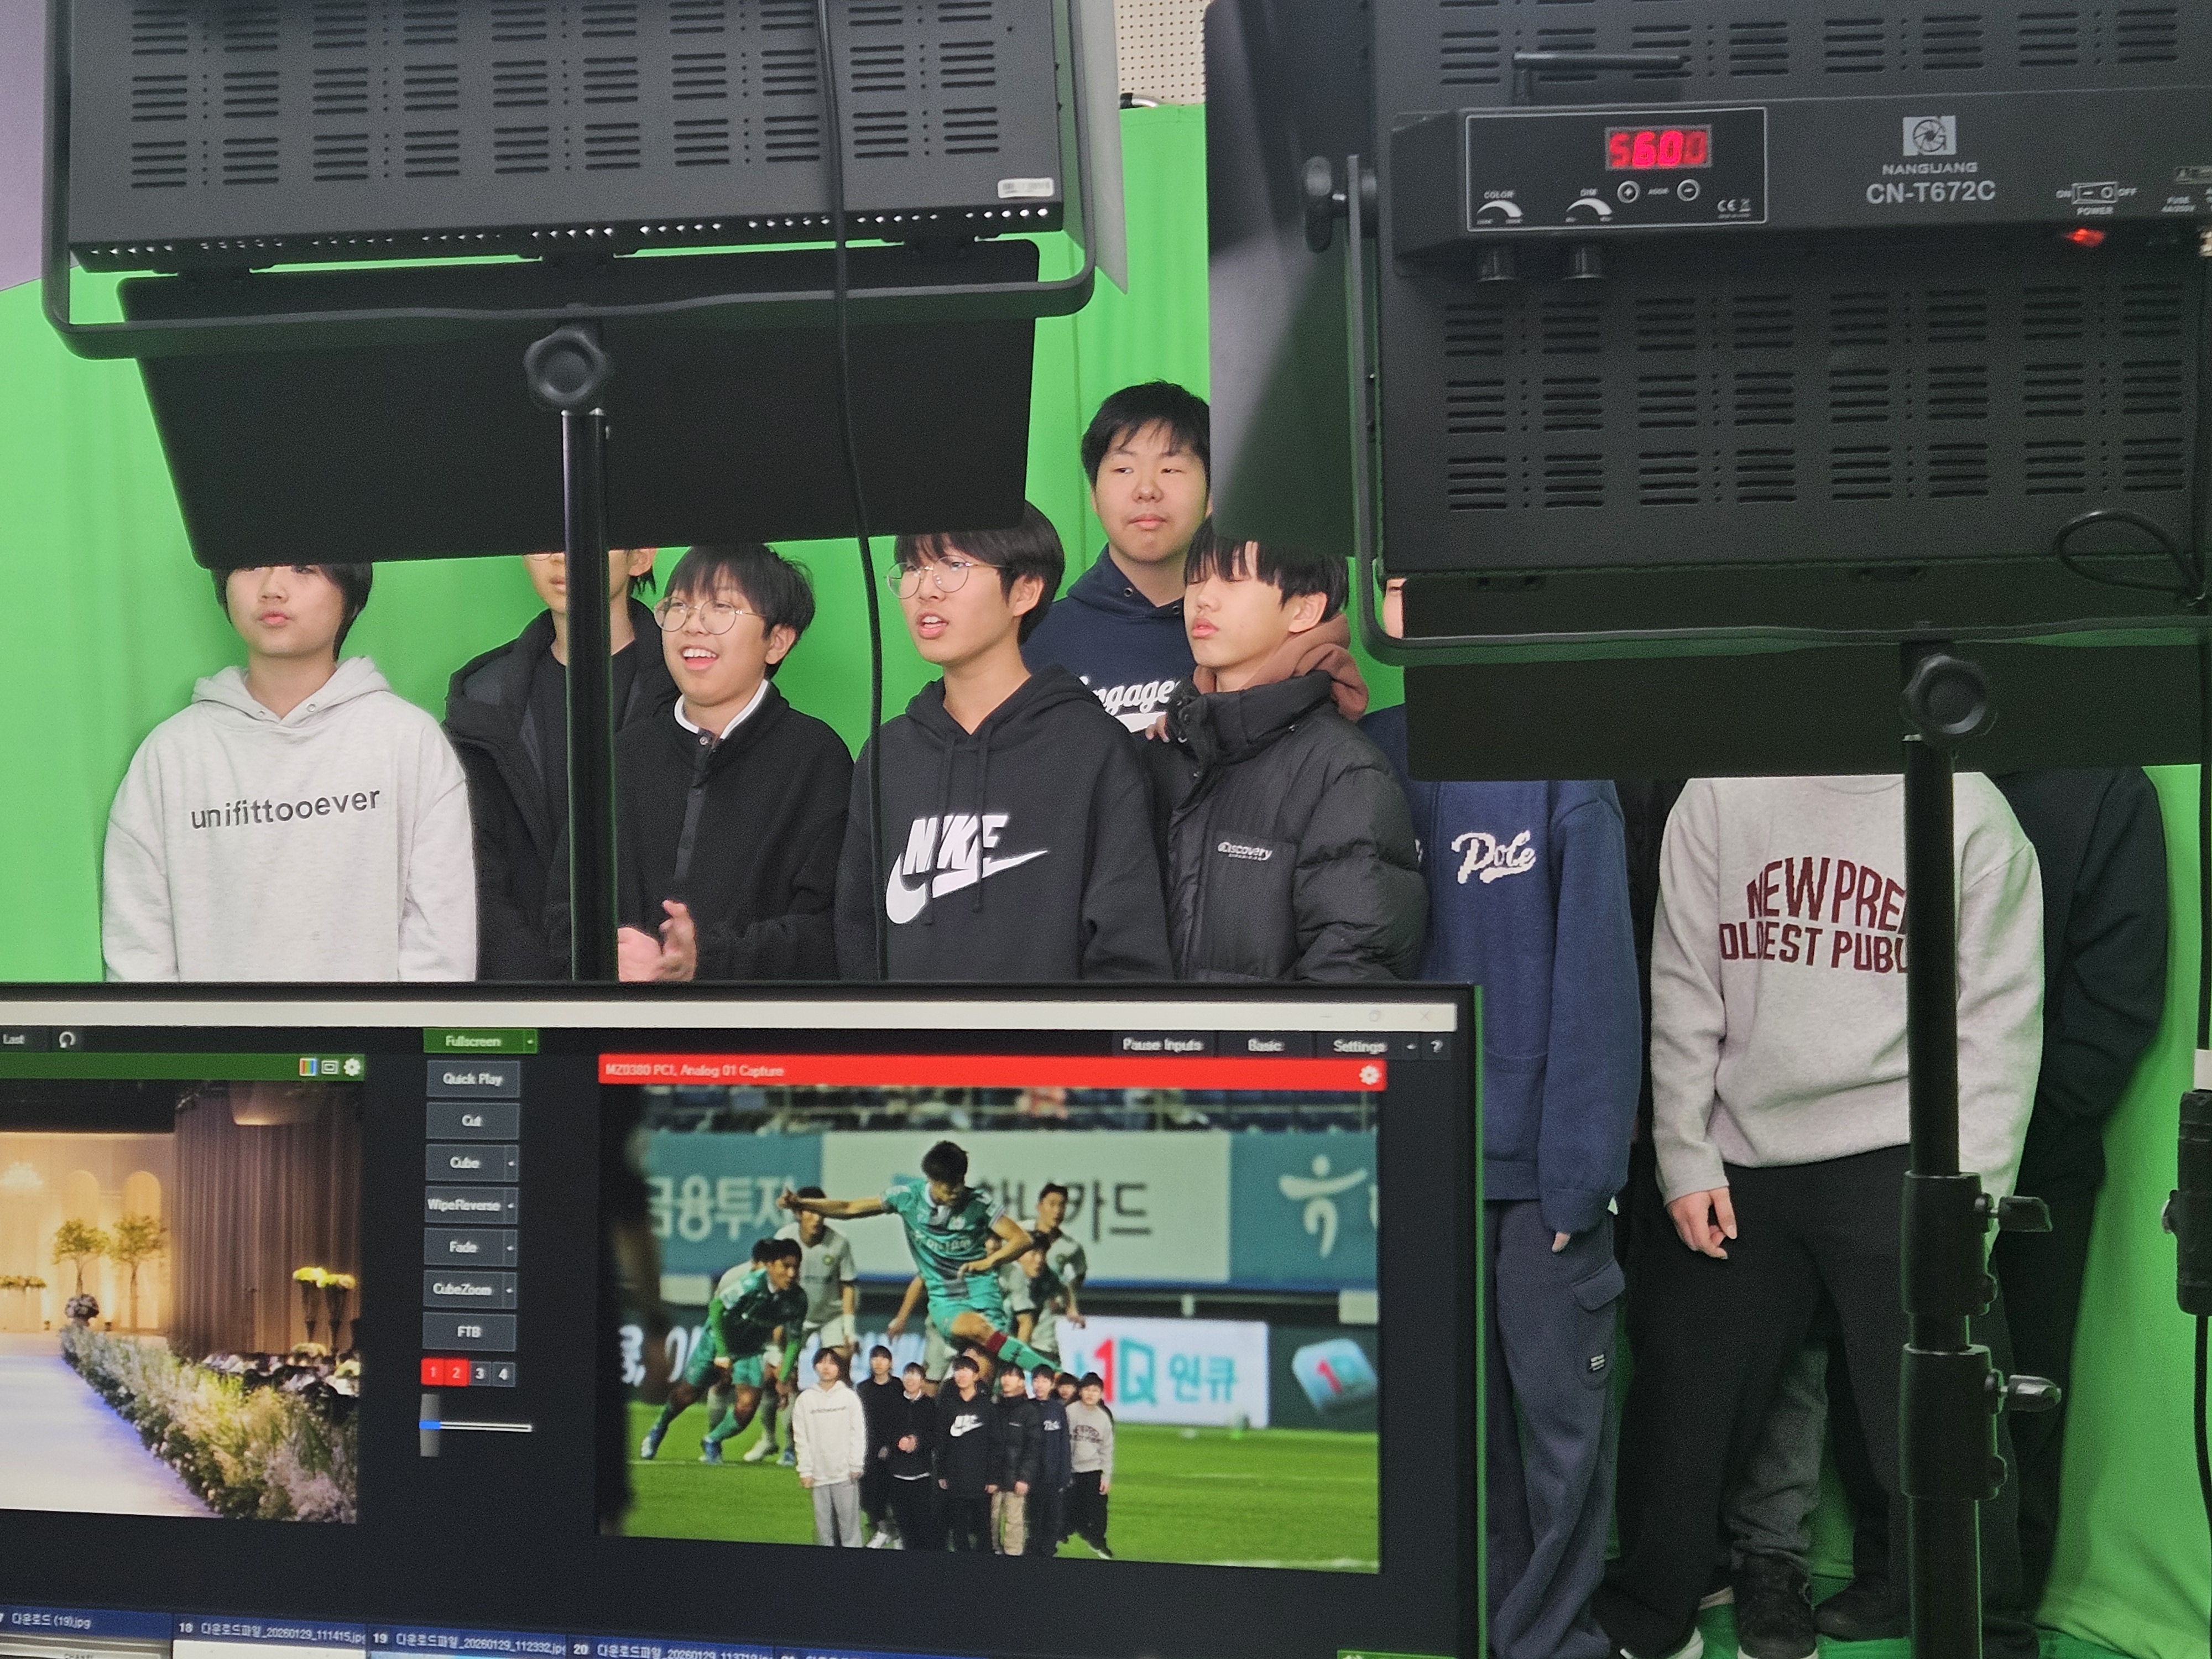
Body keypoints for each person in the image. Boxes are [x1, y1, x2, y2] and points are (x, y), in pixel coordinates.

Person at [1595, 775, 2044, 1659]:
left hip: (1901, 1149)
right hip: (1739, 1152)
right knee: (1681, 1401)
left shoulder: (1970, 810)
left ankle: (1988, 1638)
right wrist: (1685, 1155)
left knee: (1946, 1415)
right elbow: (1684, 985)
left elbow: (1999, 1024)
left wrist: (1972, 1204)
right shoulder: (1719, 795)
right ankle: (1649, 1615)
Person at [1361, 581, 1642, 1659]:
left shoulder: (1561, 765)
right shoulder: (1370, 753)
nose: (1418, 603)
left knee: (1561, 1439)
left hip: (1540, 1180)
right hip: (1418, 1167)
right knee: (1457, 1441)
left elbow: (1598, 983)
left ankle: (1552, 1646)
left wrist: (1578, 1174)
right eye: (1398, 584)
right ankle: (1488, 1636)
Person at [832, 504, 1172, 982]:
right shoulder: (889, 754)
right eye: (912, 568)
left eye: (954, 566)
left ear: (1025, 591)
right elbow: (857, 938)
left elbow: (1128, 946)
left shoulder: (1091, 746)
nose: (926, 589)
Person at [105, 562, 476, 981]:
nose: (272, 588)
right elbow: (139, 950)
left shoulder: (407, 740)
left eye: (303, 569)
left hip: (376, 1027)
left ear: (350, 597)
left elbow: (441, 940)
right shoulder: (172, 753)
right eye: (250, 565)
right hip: (211, 1028)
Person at [1141, 530, 1424, 980]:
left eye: (1232, 579)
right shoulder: (1160, 751)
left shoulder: (1343, 770)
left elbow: (1351, 973)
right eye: (1195, 579)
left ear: (1305, 609)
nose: (1203, 599)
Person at [611, 542, 850, 983]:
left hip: (759, 1019)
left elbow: (830, 929)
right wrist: (613, 955)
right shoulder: (625, 755)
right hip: (619, 1016)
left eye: (721, 608)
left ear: (777, 641)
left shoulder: (816, 758)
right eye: (679, 606)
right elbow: (565, 908)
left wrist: (707, 959)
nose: (693, 625)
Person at [445, 547, 667, 979]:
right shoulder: (482, 700)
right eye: (542, 541)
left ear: (641, 557)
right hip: (522, 988)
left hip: (659, 985)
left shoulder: (687, 687)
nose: (561, 557)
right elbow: (473, 867)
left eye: (580, 542)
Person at [781, 1141, 1060, 1379]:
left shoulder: (978, 1204)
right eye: (949, 1186)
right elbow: (849, 1207)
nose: (957, 1191)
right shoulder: (908, 1199)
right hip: (945, 1298)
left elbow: (1022, 1240)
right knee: (977, 1330)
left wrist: (990, 1262)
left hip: (984, 1293)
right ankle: (1052, 1374)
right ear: (932, 1180)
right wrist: (802, 1203)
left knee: (983, 1378)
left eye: (961, 1182)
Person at [1023, 382, 1212, 732]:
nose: (1147, 490)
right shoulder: (1035, 640)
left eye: (1170, 469)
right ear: (1094, 496)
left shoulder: (1245, 633)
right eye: (1124, 469)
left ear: (1212, 496)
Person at [637, 1237, 807, 1464]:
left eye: (796, 1267)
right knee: (688, 1394)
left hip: (749, 1350)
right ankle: (659, 1427)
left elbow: (794, 1340)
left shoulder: (798, 1299)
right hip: (716, 1342)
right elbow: (716, 1307)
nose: (792, 1273)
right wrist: (722, 1353)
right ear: (771, 1265)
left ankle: (712, 1440)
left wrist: (784, 1377)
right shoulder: (750, 1285)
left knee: (748, 1406)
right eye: (786, 1266)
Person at [757, 1184, 861, 1463]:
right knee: (778, 1376)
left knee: (840, 1371)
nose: (817, 1218)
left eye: (820, 1212)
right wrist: (774, 1323)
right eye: (810, 1212)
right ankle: (775, 1441)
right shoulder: (784, 1239)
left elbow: (848, 1286)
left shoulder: (839, 1243)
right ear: (799, 1214)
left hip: (830, 1316)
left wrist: (849, 1329)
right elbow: (773, 1284)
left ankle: (841, 1442)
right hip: (793, 1316)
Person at [790, 1348, 869, 1547]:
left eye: (832, 1363)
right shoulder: (806, 1400)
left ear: (839, 1368)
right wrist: (805, 1470)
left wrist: (856, 1464)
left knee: (850, 1528)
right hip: (818, 1474)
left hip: (845, 1473)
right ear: (815, 1366)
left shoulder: (849, 1398)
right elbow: (801, 1438)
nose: (826, 1367)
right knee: (823, 1529)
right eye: (822, 1362)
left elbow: (858, 1433)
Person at [934, 1353, 998, 1552]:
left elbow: (995, 1444)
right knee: (959, 1528)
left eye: (966, 1370)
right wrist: (942, 1473)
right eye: (958, 1371)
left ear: (976, 1375)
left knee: (983, 1528)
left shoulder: (987, 1406)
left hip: (981, 1479)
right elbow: (941, 1442)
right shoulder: (948, 1405)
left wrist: (993, 1477)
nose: (961, 1375)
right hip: (955, 1477)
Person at [886, 1361, 941, 1550]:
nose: (910, 1379)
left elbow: (935, 1436)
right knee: (904, 1522)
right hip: (897, 1474)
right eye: (907, 1374)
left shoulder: (930, 1406)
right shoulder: (894, 1404)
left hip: (921, 1474)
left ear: (922, 1381)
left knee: (924, 1521)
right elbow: (887, 1432)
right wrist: (898, 1441)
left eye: (915, 1375)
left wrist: (916, 1442)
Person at [989, 1361, 1041, 1555]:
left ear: (1021, 1382)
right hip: (994, 1479)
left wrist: (1025, 1477)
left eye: (1012, 1376)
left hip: (1016, 1479)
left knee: (1014, 1522)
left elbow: (1033, 1448)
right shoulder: (994, 1408)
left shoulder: (1029, 1412)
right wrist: (989, 1477)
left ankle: (1013, 1557)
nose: (1006, 1379)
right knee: (991, 1521)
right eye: (1004, 1375)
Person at [855, 1345, 904, 1546]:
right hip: (869, 1447)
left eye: (883, 1358)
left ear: (891, 1363)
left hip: (894, 1448)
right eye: (875, 1358)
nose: (879, 1362)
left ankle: (897, 1531)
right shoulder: (864, 1389)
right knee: (868, 1491)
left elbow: (902, 1419)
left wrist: (891, 1445)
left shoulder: (898, 1387)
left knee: (894, 1491)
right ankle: (881, 1527)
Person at [1065, 1371, 1115, 1559]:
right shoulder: (1070, 1411)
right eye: (1087, 1389)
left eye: (1095, 1390)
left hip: (1093, 1471)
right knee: (1069, 1509)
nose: (1091, 1394)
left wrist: (1106, 1475)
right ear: (1080, 1391)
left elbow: (1107, 1449)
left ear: (1101, 1394)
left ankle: (1098, 1541)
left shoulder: (1103, 1418)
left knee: (1098, 1511)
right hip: (1071, 1470)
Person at [1026, 1363, 1072, 1556]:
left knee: (1053, 1517)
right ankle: (1033, 1551)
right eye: (1036, 1380)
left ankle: (1048, 1551)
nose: (1040, 1385)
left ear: (1052, 1385)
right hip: (1032, 1475)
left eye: (1044, 1381)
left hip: (1054, 1475)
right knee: (1033, 1517)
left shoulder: (1058, 1410)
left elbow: (1064, 1443)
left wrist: (1065, 1474)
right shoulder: (1027, 1407)